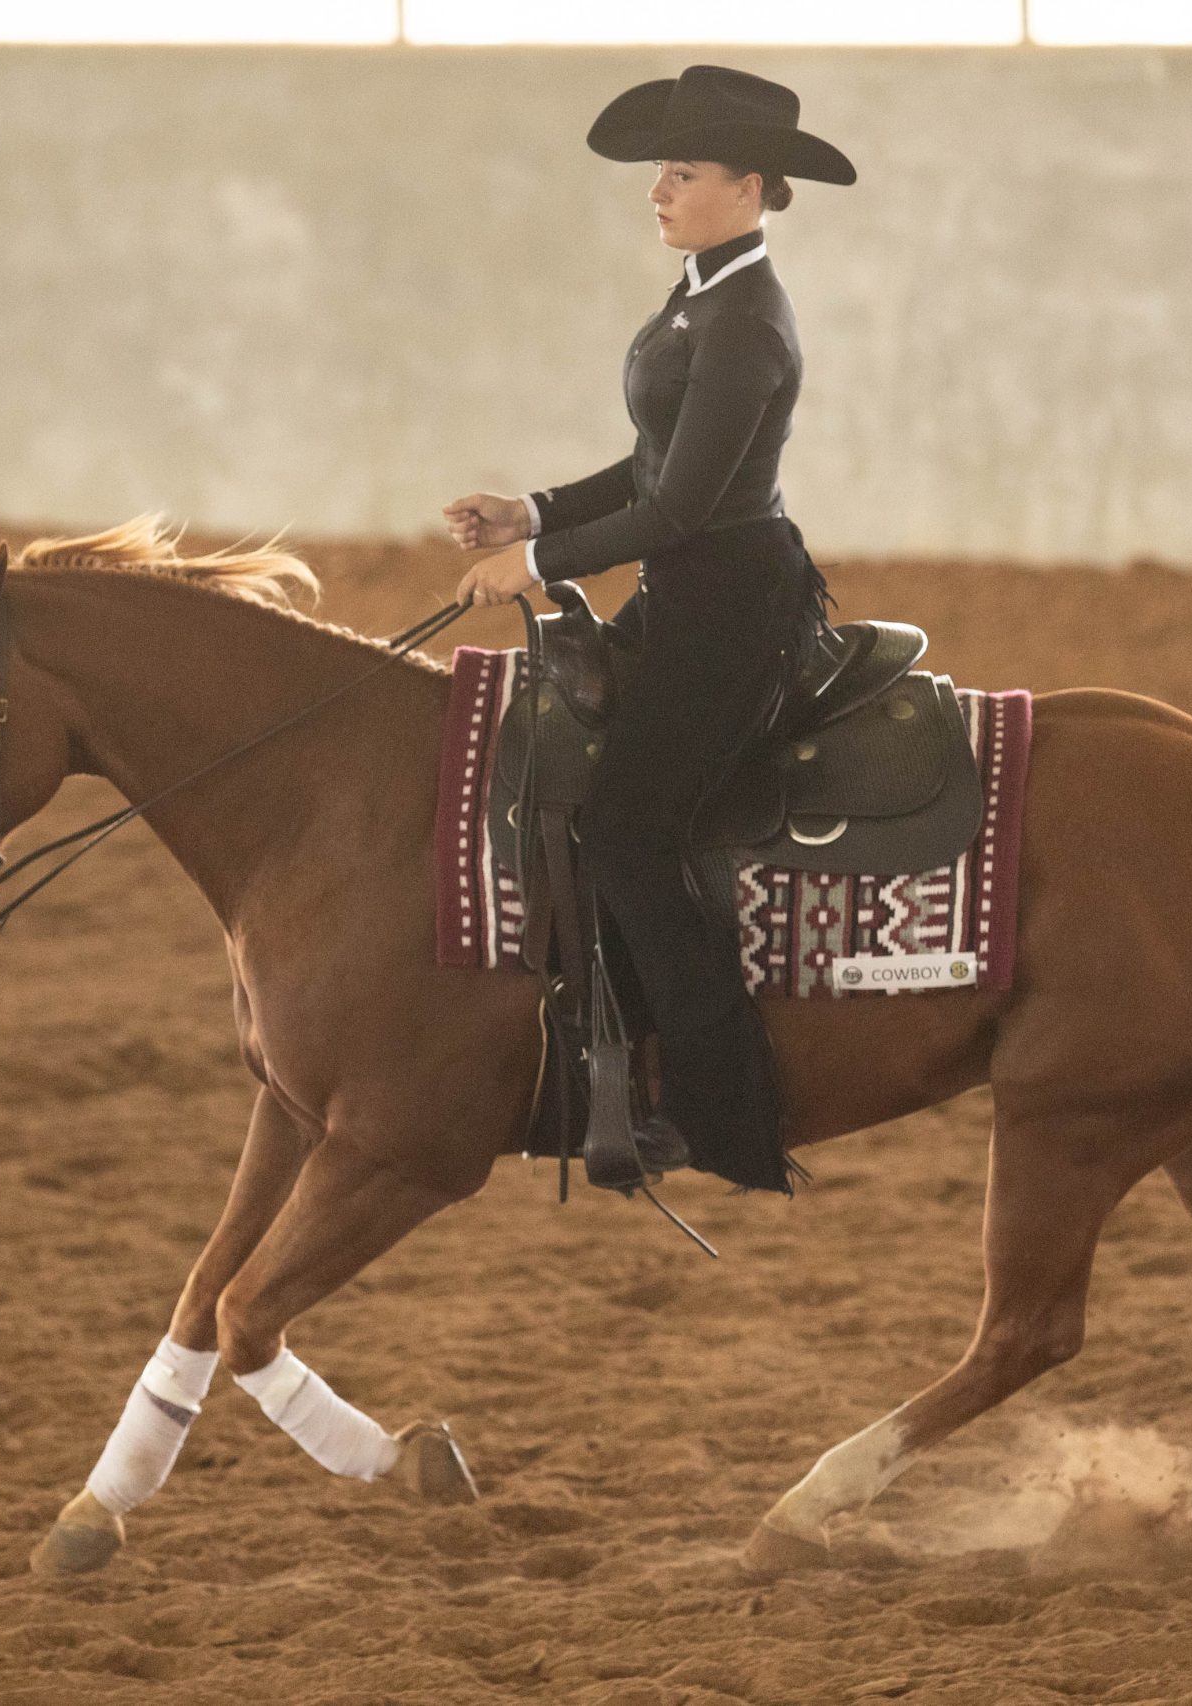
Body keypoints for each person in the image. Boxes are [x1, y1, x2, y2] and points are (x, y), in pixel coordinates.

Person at [445, 64, 855, 1196]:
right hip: (690, 596)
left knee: (633, 827)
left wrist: (528, 562)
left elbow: (677, 509)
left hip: (730, 613)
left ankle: (714, 1108)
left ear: (751, 186)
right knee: (582, 792)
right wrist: (533, 509)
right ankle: (606, 1054)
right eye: (657, 171)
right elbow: (651, 467)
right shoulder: (702, 299)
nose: (657, 189)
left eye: (681, 171)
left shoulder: (746, 324)